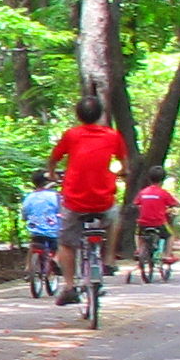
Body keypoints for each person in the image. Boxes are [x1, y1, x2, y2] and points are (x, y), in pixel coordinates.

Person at [47, 91, 128, 305]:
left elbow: (54, 158)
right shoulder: (112, 136)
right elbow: (124, 161)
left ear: (78, 115)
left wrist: (53, 173)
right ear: (101, 114)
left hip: (74, 200)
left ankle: (69, 286)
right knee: (113, 217)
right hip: (103, 200)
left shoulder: (72, 135)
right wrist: (124, 172)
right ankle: (108, 259)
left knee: (66, 243)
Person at [18, 168, 65, 286]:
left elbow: (24, 213)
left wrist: (27, 219)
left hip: (35, 230)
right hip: (53, 230)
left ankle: (28, 268)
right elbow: (62, 211)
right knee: (62, 244)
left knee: (33, 245)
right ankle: (56, 260)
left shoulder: (29, 197)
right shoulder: (55, 196)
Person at [133, 168, 176, 269]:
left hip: (143, 223)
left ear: (149, 179)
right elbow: (174, 203)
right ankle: (167, 255)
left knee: (137, 233)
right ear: (163, 180)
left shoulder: (143, 192)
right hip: (159, 223)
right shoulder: (163, 193)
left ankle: (139, 250)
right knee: (170, 235)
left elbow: (136, 203)